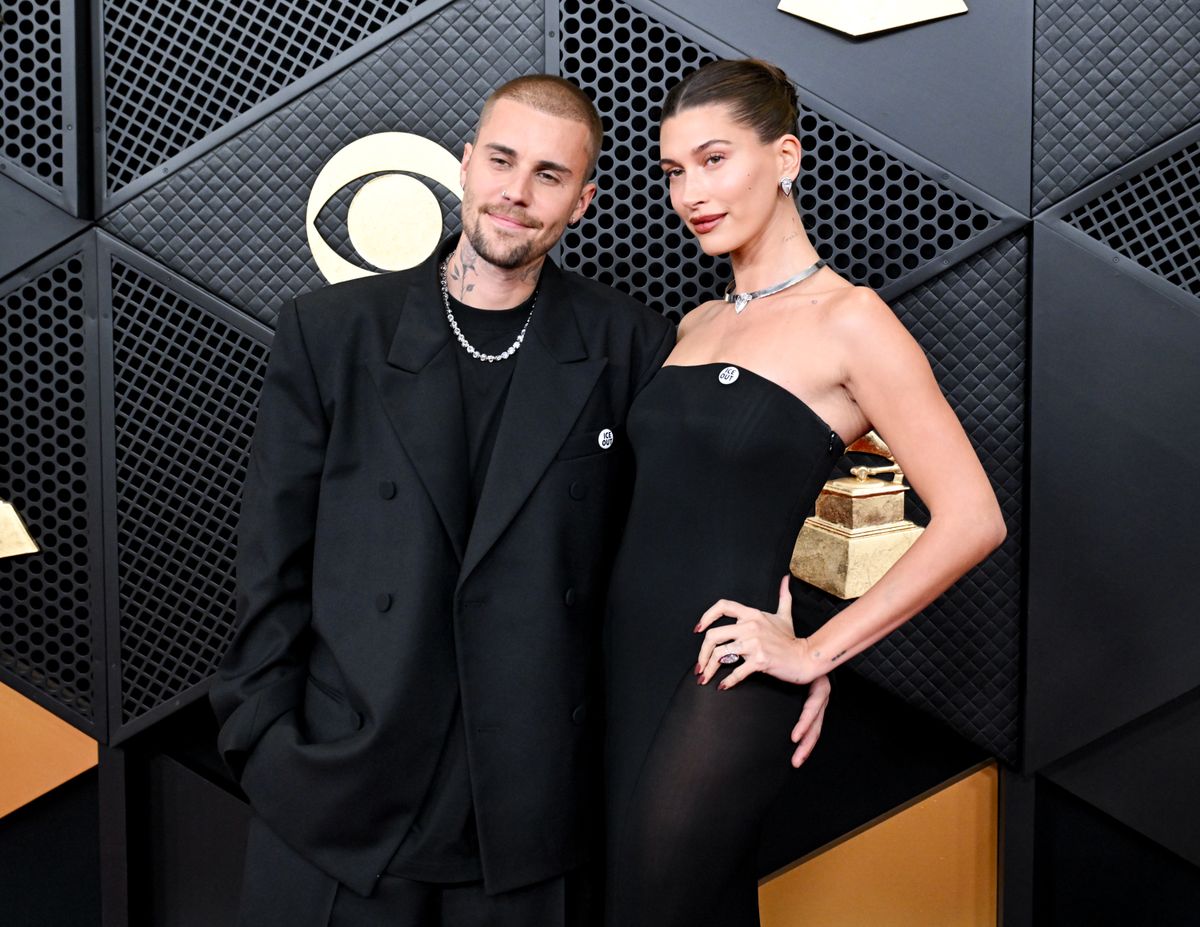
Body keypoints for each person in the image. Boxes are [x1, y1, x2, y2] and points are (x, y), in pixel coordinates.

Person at [209, 73, 831, 927]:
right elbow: (268, 565)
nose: (516, 191)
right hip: (340, 798)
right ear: (464, 166)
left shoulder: (630, 343)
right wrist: (266, 743)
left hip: (527, 811)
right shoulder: (333, 332)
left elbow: (688, 513)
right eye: (501, 160)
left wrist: (790, 633)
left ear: (583, 201)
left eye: (550, 174)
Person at [602, 58, 1007, 927]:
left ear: (785, 157)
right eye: (674, 171)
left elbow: (973, 515)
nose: (690, 192)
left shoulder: (851, 320)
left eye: (715, 160)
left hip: (722, 674)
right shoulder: (696, 325)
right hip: (620, 663)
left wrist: (816, 653)